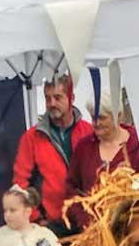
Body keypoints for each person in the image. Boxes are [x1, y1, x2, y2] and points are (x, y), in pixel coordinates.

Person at [13, 75, 95, 236]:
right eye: (47, 98)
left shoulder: (89, 132)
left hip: (87, 220)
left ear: (71, 97)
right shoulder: (31, 138)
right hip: (52, 225)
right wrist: (36, 219)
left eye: (57, 97)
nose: (52, 104)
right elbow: (20, 183)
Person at [65, 90, 139, 232]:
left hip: (129, 230)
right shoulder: (84, 147)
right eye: (93, 117)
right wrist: (84, 219)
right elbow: (71, 187)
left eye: (102, 118)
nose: (96, 123)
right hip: (93, 233)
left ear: (119, 116)